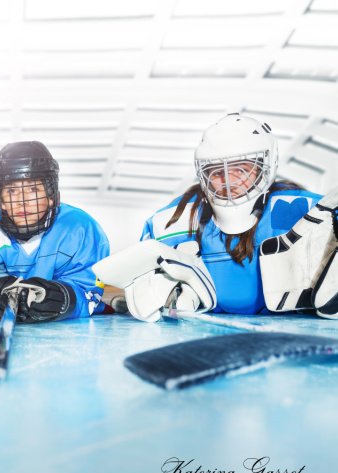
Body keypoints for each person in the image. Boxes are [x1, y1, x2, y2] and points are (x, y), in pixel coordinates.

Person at [95, 113, 332, 320]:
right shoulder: (172, 220)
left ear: (266, 167)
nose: (229, 181)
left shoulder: (306, 210)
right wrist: (161, 293)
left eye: (241, 169)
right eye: (217, 172)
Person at [0, 140, 109, 322]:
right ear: (1, 200)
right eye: (12, 191)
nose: (22, 200)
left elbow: (88, 290)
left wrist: (63, 298)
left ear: (51, 195)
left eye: (33, 189)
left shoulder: (80, 229)